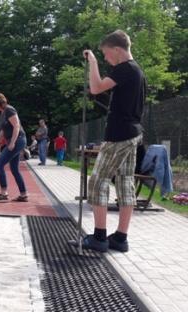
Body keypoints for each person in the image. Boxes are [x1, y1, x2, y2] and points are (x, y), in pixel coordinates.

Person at [75, 30, 145, 253]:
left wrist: (93, 62)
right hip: (133, 134)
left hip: (119, 135)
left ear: (117, 49)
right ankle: (121, 238)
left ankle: (99, 237)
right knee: (125, 183)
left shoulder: (125, 69)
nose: (106, 58)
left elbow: (95, 88)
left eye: (106, 54)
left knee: (97, 182)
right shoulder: (137, 71)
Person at [0, 92, 28, 202]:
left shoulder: (9, 110)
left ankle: (4, 193)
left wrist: (12, 143)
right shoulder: (2, 113)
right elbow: (2, 132)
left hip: (18, 140)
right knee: (14, 169)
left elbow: (16, 125)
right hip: (13, 141)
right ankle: (24, 194)